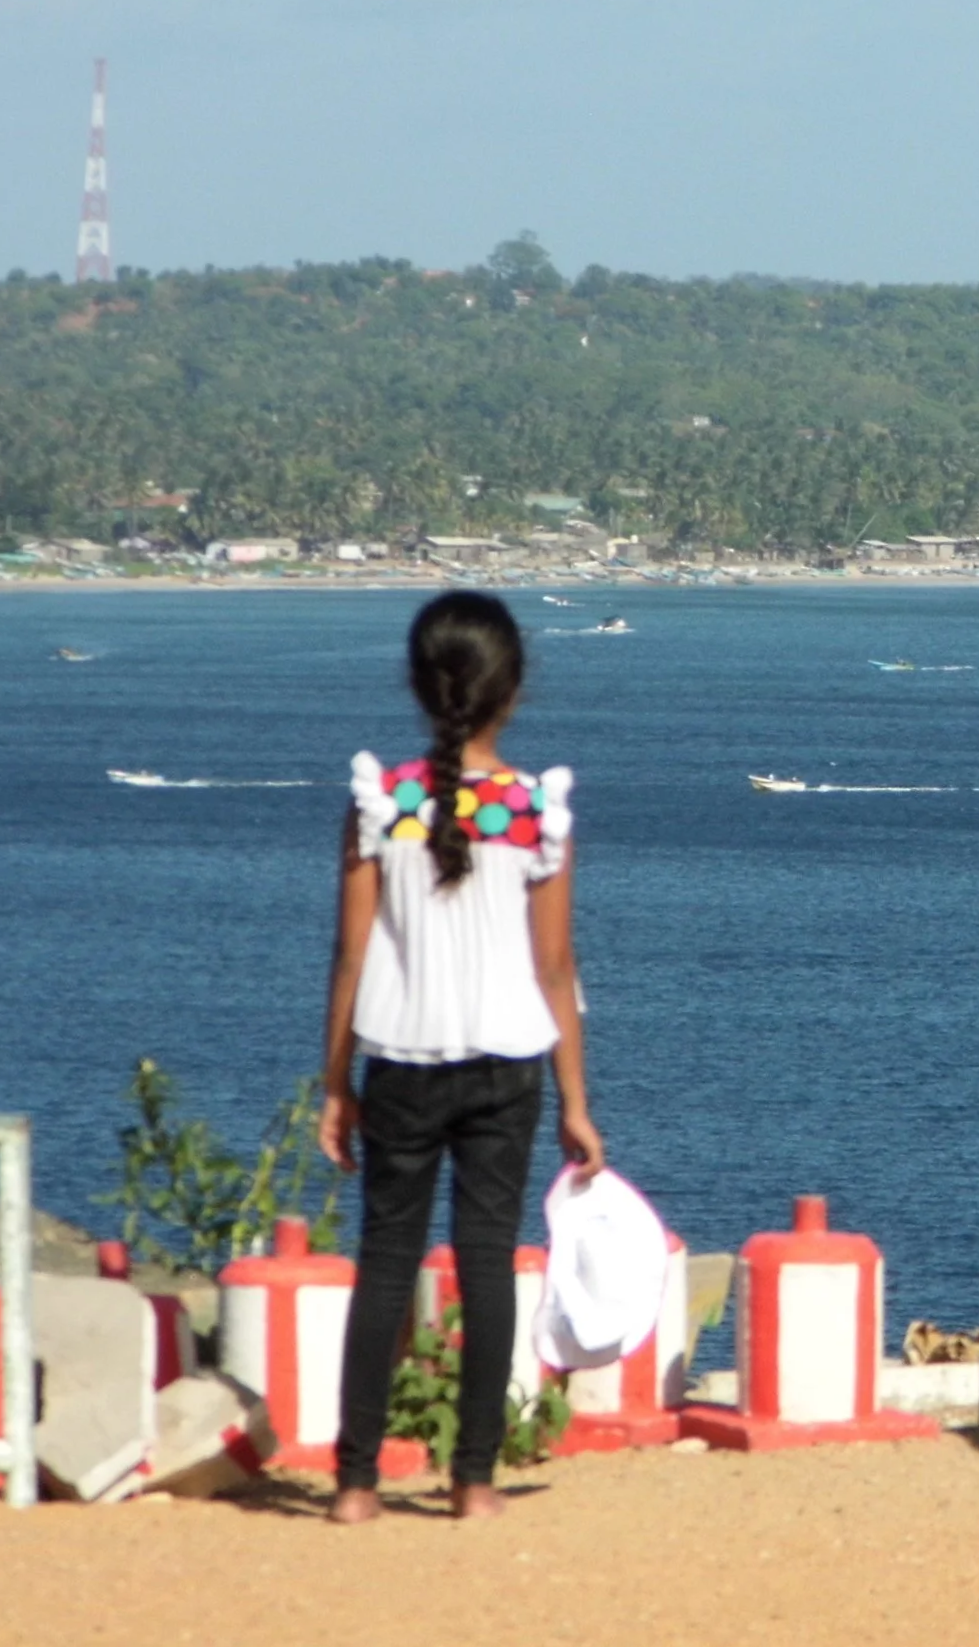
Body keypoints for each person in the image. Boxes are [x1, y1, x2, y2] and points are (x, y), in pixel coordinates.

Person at [317, 591, 604, 1522]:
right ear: (511, 691)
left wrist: (333, 1084)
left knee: (385, 1264)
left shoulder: (380, 802)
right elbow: (554, 970)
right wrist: (576, 1103)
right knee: (487, 1267)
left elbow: (351, 955)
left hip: (397, 1059)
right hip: (507, 1064)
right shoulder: (533, 812)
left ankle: (356, 1483)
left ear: (419, 685)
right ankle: (473, 1481)